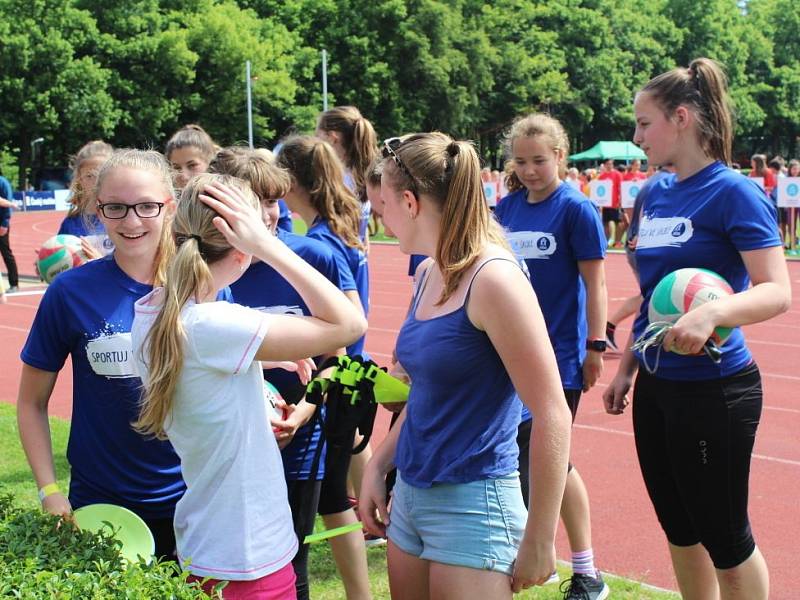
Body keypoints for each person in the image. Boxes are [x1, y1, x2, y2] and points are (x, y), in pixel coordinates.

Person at [603, 58, 791, 600]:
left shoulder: (734, 192)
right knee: (681, 534)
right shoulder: (652, 196)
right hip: (659, 386)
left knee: (725, 540)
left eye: (644, 123)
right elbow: (656, 297)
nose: (636, 137)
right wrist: (629, 368)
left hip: (717, 391)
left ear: (681, 118)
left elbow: (776, 289)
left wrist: (713, 313)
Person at [131, 172, 365, 598]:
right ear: (242, 249)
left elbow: (198, 359)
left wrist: (262, 355)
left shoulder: (153, 313)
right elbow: (349, 324)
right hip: (248, 555)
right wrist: (269, 246)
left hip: (208, 541)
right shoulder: (215, 324)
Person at [359, 133, 572, 600]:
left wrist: (540, 538)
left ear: (410, 202)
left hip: (475, 506)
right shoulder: (428, 273)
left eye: (383, 206)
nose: (381, 219)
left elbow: (552, 410)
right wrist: (380, 464)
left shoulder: (494, 279)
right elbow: (429, 396)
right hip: (411, 497)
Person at [17, 149, 184, 558]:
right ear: (98, 209)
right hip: (101, 503)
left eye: (147, 206)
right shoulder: (70, 293)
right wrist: (49, 491)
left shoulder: (202, 285)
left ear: (171, 207)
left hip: (193, 501)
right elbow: (30, 403)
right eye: (116, 207)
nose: (131, 221)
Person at [210, 147, 342, 599]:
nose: (268, 215)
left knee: (291, 567)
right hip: (227, 448)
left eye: (273, 202)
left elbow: (336, 356)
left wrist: (302, 412)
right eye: (255, 202)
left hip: (299, 441)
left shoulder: (311, 257)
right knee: (225, 571)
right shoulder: (206, 269)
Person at [495, 114, 610, 600]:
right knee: (548, 461)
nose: (529, 170)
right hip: (506, 353)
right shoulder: (507, 208)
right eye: (520, 161)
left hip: (559, 356)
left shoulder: (576, 210)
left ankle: (575, 570)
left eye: (539, 160)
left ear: (560, 157)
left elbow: (595, 282)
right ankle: (585, 573)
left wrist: (595, 346)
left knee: (544, 459)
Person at [277, 135, 373, 600]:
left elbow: (351, 323)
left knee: (335, 498)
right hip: (349, 375)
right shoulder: (337, 226)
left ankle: (360, 594)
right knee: (339, 496)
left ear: (290, 181)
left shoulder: (320, 242)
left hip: (339, 377)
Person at [316, 106, 378, 243]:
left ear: (332, 138)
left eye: (317, 136)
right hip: (355, 258)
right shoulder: (361, 175)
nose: (315, 143)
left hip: (339, 258)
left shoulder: (339, 181)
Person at [58, 140, 115, 258]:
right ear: (80, 180)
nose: (97, 181)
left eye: (102, 174)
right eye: (90, 176)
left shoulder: (122, 220)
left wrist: (98, 261)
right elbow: (62, 264)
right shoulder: (70, 224)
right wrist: (48, 262)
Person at [165, 124, 218, 189]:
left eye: (192, 165)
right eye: (177, 168)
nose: (184, 176)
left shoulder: (228, 196)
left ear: (211, 164)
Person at [598, 158, 623, 247]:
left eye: (611, 164)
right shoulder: (601, 176)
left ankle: (612, 238)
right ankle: (606, 241)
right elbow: (599, 190)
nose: (610, 165)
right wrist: (599, 204)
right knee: (605, 223)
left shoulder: (617, 174)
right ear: (604, 165)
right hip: (605, 203)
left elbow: (621, 188)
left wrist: (620, 200)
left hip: (614, 202)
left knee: (612, 221)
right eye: (608, 164)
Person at [0, 169, 18, 293]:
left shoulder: (3, 183)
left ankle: (14, 283)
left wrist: (5, 224)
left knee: (6, 253)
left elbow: (6, 202)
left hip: (1, 224)